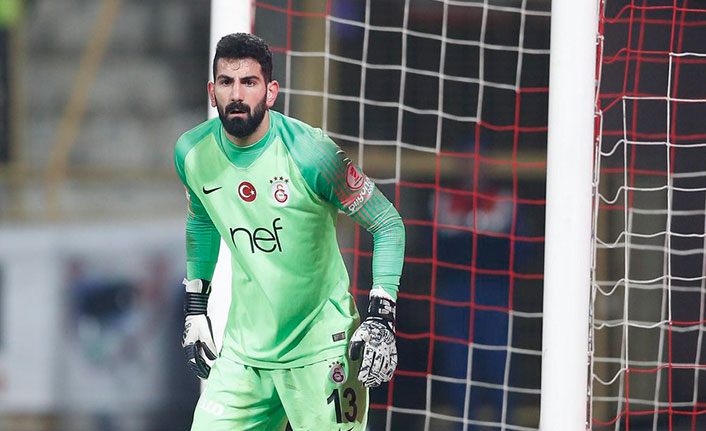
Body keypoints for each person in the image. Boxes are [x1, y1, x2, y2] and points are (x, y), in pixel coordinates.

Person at [173, 33, 405, 431]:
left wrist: (381, 316)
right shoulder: (192, 153)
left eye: (249, 82)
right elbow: (201, 220)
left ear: (271, 92)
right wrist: (196, 309)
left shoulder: (311, 154)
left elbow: (387, 224)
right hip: (245, 356)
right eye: (227, 82)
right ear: (212, 92)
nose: (237, 94)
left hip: (323, 352)